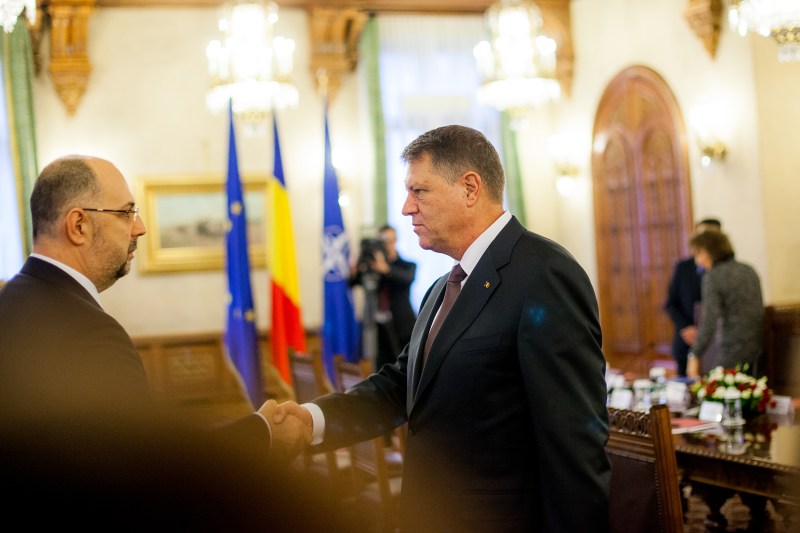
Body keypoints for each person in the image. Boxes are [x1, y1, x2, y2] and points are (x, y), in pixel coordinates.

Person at [277, 125, 611, 531]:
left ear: (470, 188)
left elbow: (574, 444)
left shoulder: (545, 274)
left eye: (419, 191)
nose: (406, 208)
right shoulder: (441, 289)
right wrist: (310, 421)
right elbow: (399, 388)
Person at [0, 155, 310, 461]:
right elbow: (149, 464)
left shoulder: (10, 302)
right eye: (126, 213)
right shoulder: (90, 333)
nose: (140, 228)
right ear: (79, 225)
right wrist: (263, 433)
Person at [686, 230, 764, 377]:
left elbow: (709, 320)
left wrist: (694, 354)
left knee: (711, 388)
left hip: (732, 351)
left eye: (698, 254)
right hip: (758, 351)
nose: (697, 261)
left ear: (708, 252)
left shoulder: (713, 277)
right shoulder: (748, 270)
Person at [350, 224, 417, 372]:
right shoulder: (372, 267)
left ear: (395, 240)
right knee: (381, 366)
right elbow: (353, 283)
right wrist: (355, 268)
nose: (386, 244)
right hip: (378, 326)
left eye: (388, 240)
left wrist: (385, 269)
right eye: (382, 241)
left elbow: (406, 279)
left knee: (404, 367)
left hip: (401, 326)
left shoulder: (407, 265)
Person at [664, 218, 722, 377]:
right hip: (686, 341)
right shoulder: (683, 267)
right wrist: (688, 329)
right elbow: (671, 304)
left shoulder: (726, 270)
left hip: (717, 346)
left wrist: (703, 332)